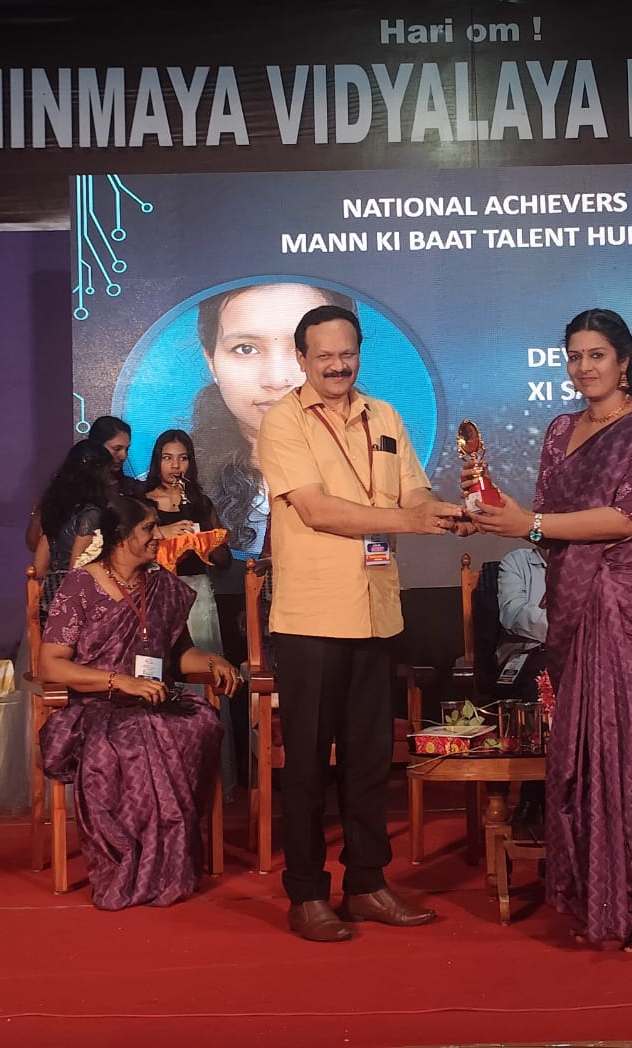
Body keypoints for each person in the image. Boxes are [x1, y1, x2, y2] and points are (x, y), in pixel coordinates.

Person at [466, 307, 632, 954]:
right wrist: (490, 507)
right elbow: (548, 524)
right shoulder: (561, 430)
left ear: (624, 361)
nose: (583, 368)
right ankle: (610, 897)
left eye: (596, 355)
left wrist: (527, 525)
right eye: (574, 356)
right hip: (580, 603)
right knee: (591, 752)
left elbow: (631, 516)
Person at [257, 304, 463, 943]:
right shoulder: (283, 421)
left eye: (347, 353)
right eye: (323, 355)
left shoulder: (385, 416)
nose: (337, 366)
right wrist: (411, 521)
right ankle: (306, 894)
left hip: (376, 609)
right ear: (301, 358)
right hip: (312, 615)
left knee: (371, 762)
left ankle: (368, 884)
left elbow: (412, 492)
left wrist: (442, 511)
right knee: (307, 766)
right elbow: (318, 511)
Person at [39, 495, 240, 910]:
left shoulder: (162, 585)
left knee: (197, 724)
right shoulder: (82, 586)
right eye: (148, 529)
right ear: (120, 537)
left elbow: (179, 656)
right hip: (99, 705)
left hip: (155, 699)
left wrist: (213, 661)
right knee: (127, 743)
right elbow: (51, 663)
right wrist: (120, 682)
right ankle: (131, 860)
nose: (157, 536)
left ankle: (167, 860)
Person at [192, 282, 353, 560]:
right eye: (245, 348)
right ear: (211, 361)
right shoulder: (176, 485)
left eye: (303, 348)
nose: (277, 379)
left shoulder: (379, 469)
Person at [144, 428, 236, 798]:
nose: (175, 465)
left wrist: (206, 545)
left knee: (203, 677)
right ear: (157, 461)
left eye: (182, 458)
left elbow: (224, 558)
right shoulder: (142, 502)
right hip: (155, 595)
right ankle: (158, 777)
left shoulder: (199, 502)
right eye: (168, 458)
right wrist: (165, 533)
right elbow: (130, 549)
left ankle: (204, 779)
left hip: (198, 596)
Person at [25, 415, 138, 554]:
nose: (123, 456)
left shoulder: (131, 489)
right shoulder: (66, 489)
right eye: (117, 448)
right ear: (96, 447)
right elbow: (35, 544)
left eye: (127, 449)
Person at [496, 546, 548, 837]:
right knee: (542, 675)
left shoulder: (586, 557)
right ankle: (534, 793)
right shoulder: (517, 561)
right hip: (525, 655)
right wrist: (565, 625)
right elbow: (514, 614)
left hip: (578, 652)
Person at [33, 439, 113, 614]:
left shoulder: (56, 510)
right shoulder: (91, 514)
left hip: (48, 600)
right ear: (97, 474)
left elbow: (38, 568)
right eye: (108, 472)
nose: (109, 480)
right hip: (75, 603)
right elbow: (76, 569)